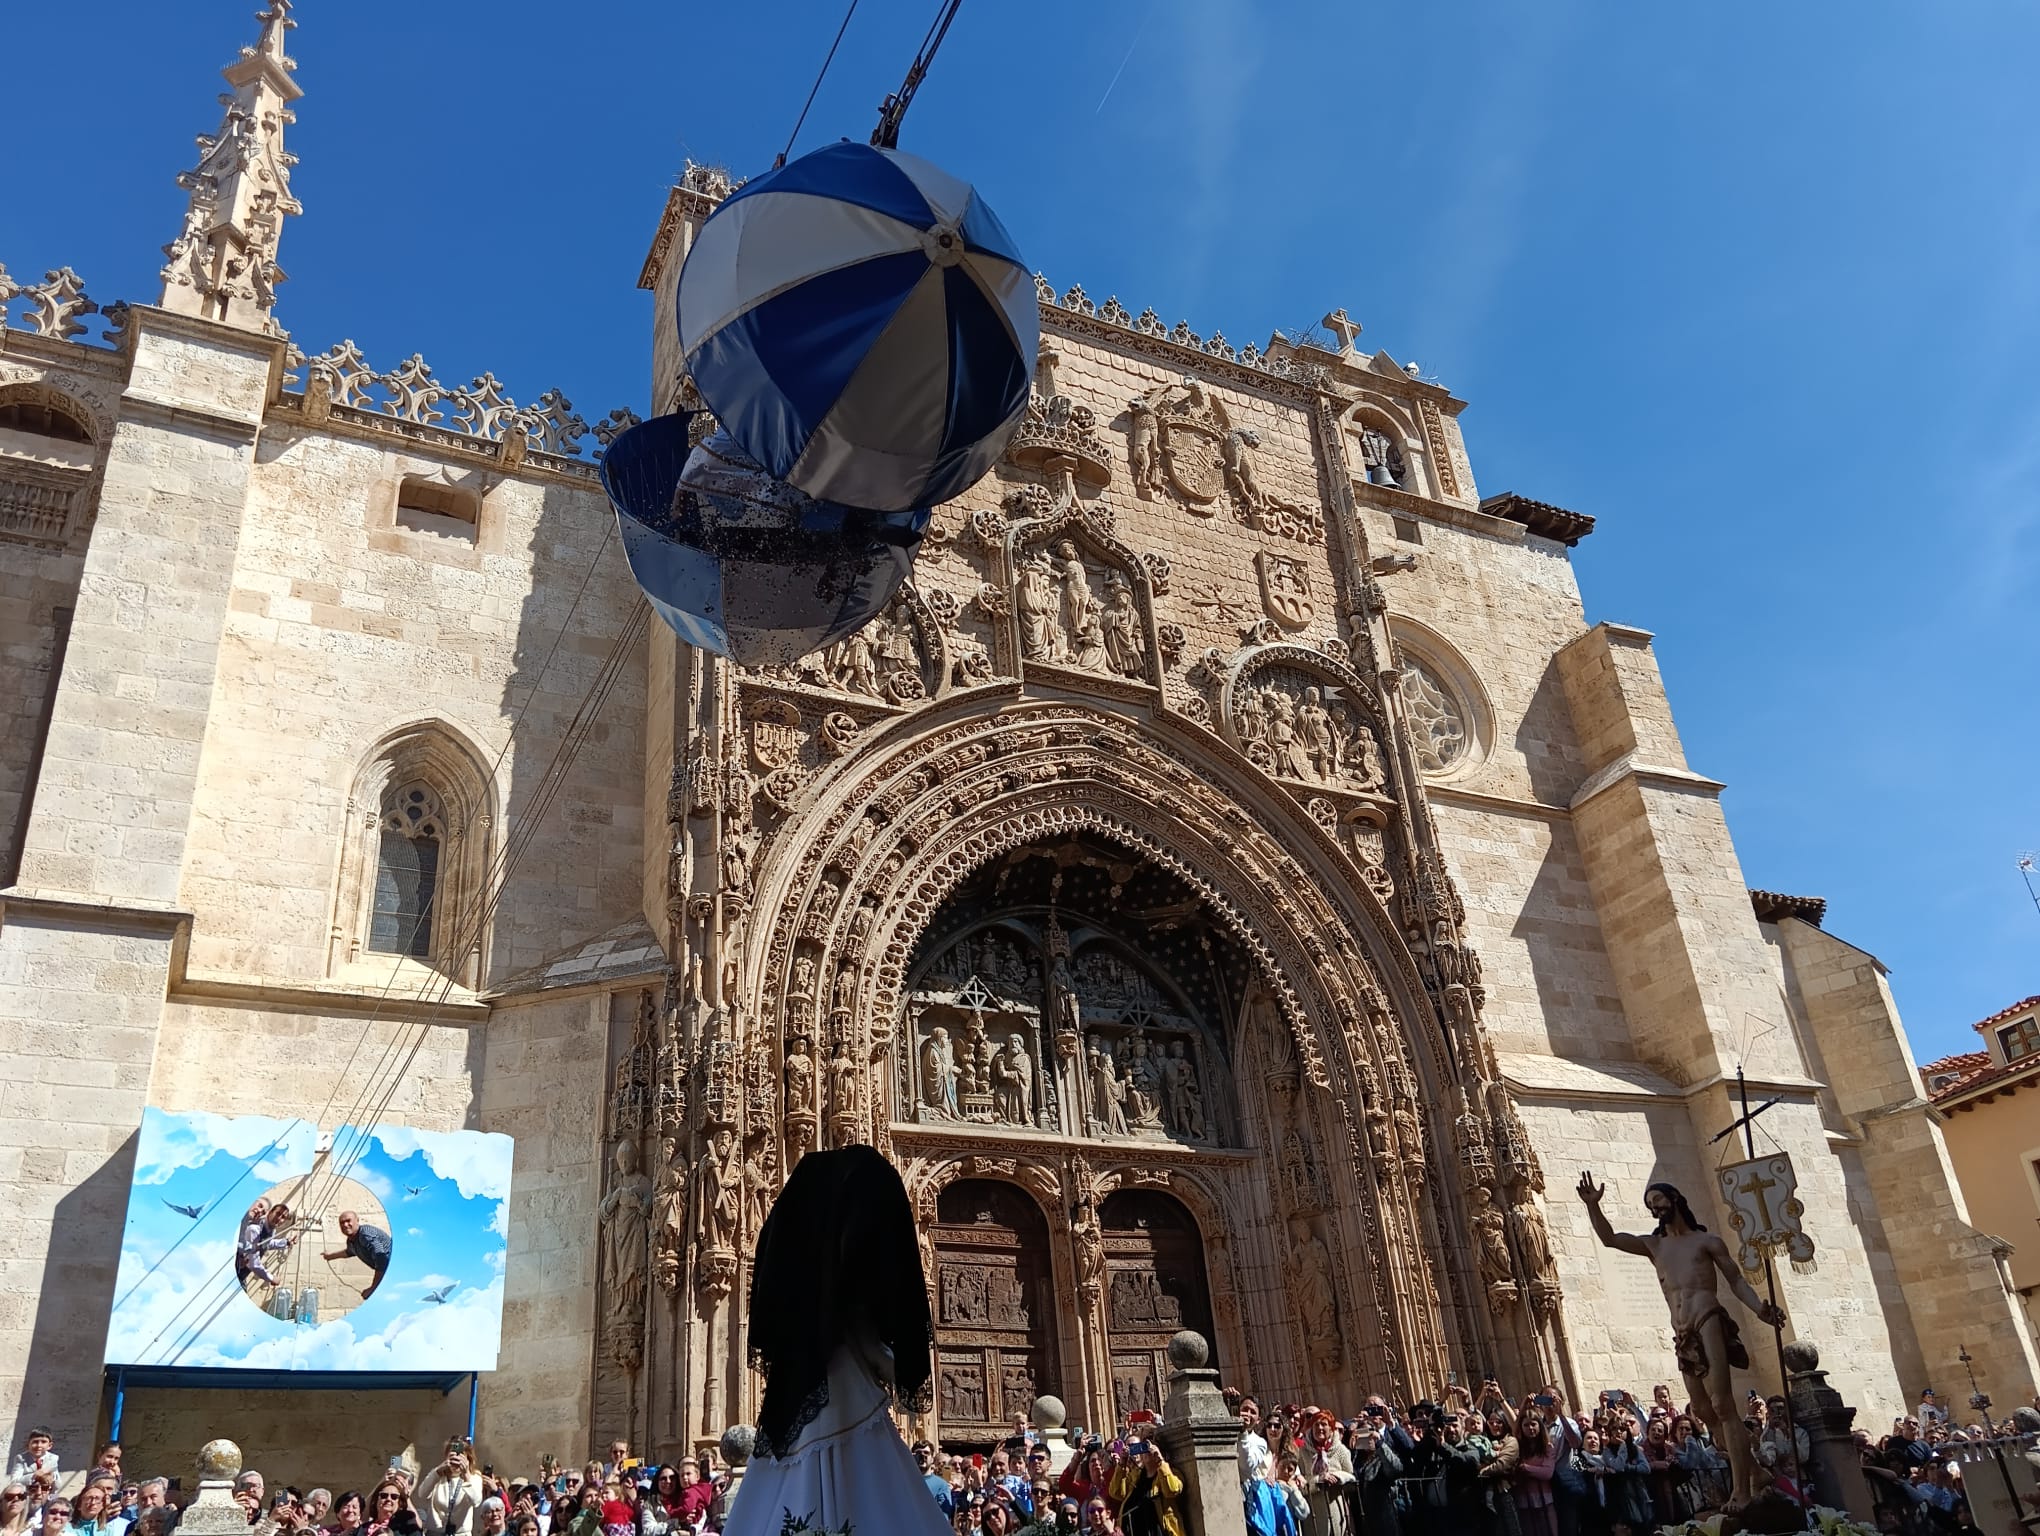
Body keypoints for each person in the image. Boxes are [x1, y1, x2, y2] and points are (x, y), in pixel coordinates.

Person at [724, 1145, 946, 1536]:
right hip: (847, 1397)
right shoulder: (850, 1293)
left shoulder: (804, 1274)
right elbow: (878, 1348)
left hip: (793, 1404)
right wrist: (896, 1364)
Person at [1577, 1173, 1784, 1509]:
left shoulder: (1707, 1242)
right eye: (1649, 1205)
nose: (1655, 1208)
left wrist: (1760, 1309)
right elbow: (1610, 1238)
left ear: (1675, 1200)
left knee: (1722, 1403)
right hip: (1682, 1331)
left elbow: (1735, 1280)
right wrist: (1592, 1207)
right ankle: (1756, 1471)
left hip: (1707, 1317)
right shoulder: (1654, 1245)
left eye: (1658, 1200)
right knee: (1702, 1408)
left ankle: (1742, 1490)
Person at [1107, 1443, 1182, 1536]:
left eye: (1151, 1447)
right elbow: (1115, 1492)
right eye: (1145, 1447)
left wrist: (1160, 1461)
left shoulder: (1171, 1473)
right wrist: (1122, 1463)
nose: (1148, 1451)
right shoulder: (1135, 1477)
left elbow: (1172, 1490)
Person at [320, 1211, 393, 1301]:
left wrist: (373, 1289)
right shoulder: (351, 1240)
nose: (345, 1225)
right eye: (342, 1223)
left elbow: (381, 1258)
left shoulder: (365, 1234)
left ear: (357, 1221)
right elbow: (349, 1252)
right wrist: (330, 1256)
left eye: (348, 1221)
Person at [415, 1441, 483, 1536]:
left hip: (460, 1533)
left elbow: (476, 1502)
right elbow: (422, 1494)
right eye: (452, 1456)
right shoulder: (437, 1476)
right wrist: (437, 1473)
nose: (456, 1460)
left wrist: (466, 1475)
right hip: (435, 1532)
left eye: (460, 1456)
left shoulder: (474, 1478)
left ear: (468, 1459)